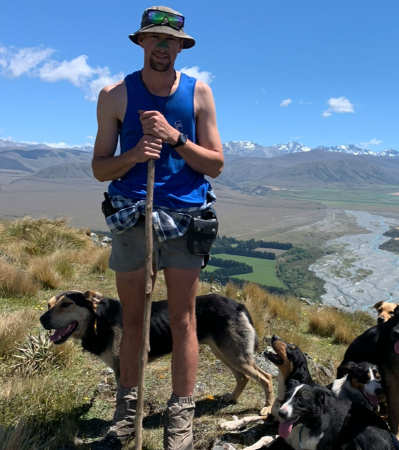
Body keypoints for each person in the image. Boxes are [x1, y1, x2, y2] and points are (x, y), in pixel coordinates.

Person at [91, 6, 224, 450]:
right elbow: (100, 168)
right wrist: (134, 154)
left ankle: (180, 416)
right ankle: (127, 415)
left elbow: (215, 165)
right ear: (141, 42)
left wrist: (175, 137)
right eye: (155, 38)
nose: (163, 46)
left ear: (181, 47)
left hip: (185, 218)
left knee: (184, 319)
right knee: (133, 319)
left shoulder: (199, 93)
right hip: (132, 216)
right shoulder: (114, 95)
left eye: (171, 41)